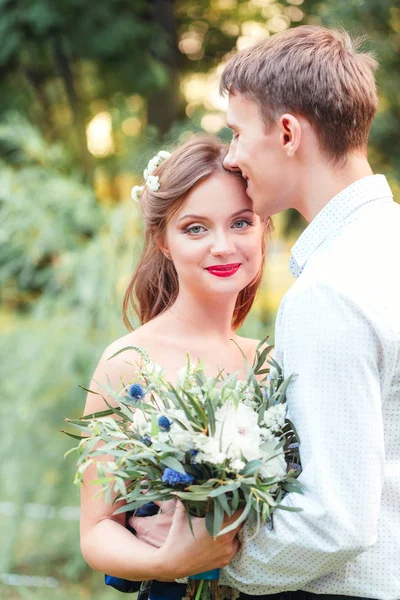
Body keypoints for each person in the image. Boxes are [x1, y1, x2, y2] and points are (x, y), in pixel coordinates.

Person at [133, 26, 400, 600]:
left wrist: (206, 560)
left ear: (286, 133)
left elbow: (335, 522)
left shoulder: (330, 291)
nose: (231, 156)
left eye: (235, 132)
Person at [79, 135, 272, 592]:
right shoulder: (129, 362)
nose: (222, 246)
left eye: (241, 222)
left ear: (264, 228)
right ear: (163, 241)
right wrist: (170, 560)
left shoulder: (269, 362)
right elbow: (97, 530)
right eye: (195, 228)